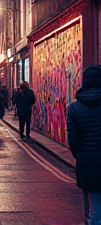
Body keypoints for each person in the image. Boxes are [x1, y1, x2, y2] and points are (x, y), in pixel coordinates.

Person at [66, 66, 101, 225]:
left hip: (86, 161)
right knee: (97, 207)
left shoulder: (74, 107)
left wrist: (78, 155)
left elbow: (73, 139)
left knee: (89, 204)